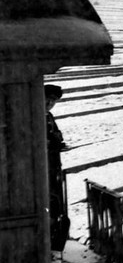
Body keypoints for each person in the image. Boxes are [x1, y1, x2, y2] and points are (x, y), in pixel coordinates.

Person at [44, 84, 69, 252]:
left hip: (53, 166)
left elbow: (57, 136)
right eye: (47, 100)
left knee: (55, 203)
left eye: (53, 101)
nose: (50, 103)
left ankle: (54, 240)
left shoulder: (49, 116)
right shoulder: (38, 116)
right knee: (51, 203)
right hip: (45, 167)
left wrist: (57, 141)